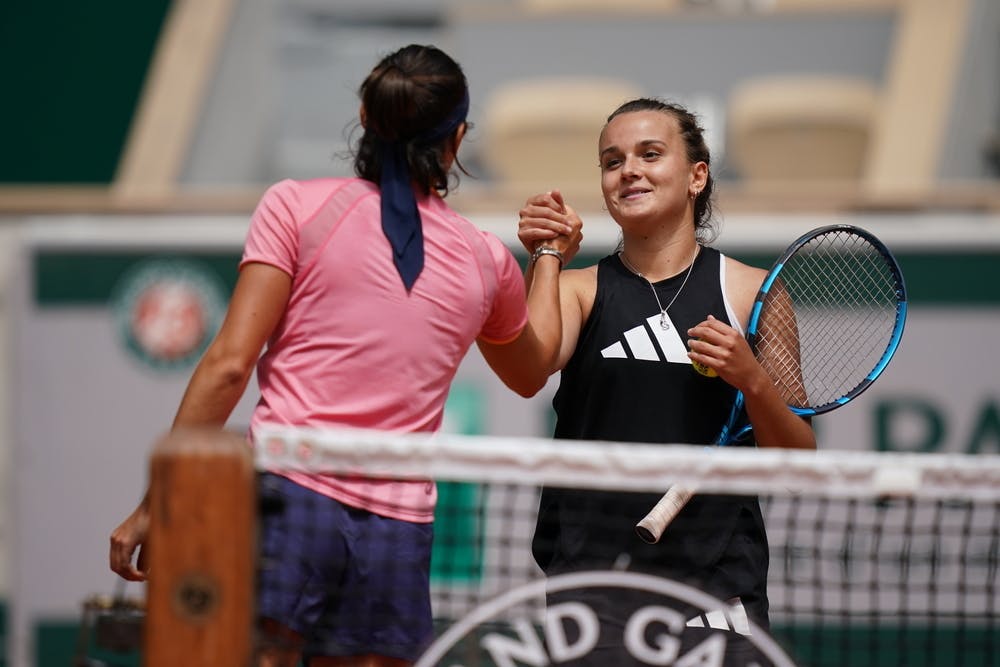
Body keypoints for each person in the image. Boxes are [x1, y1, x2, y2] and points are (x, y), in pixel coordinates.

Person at [109, 44, 579, 667]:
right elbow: (531, 368)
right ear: (457, 139)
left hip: (285, 502)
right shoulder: (484, 259)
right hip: (395, 533)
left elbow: (229, 365)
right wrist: (547, 256)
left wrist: (159, 502)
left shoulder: (296, 207)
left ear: (364, 114)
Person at [516, 97, 816, 665]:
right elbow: (531, 370)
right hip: (591, 587)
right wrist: (549, 254)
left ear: (697, 175)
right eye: (612, 161)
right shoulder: (579, 291)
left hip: (718, 589)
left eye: (650, 154)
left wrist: (751, 379)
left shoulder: (753, 294)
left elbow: (799, 464)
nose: (628, 170)